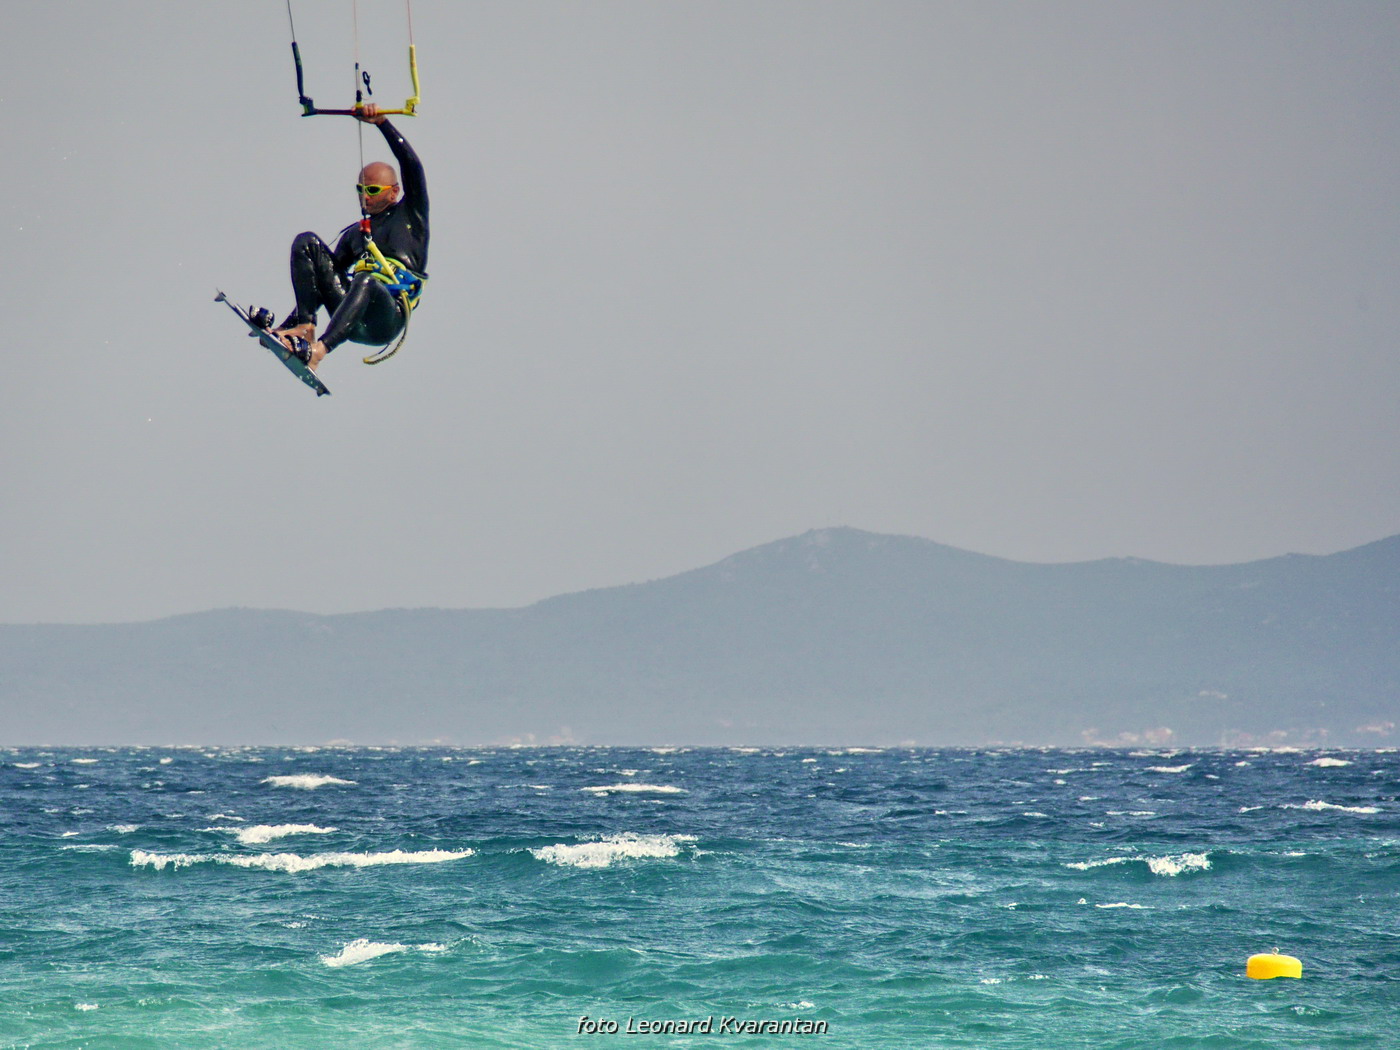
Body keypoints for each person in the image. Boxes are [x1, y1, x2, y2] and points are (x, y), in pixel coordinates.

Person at [271, 103, 429, 371]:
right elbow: (321, 283)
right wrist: (283, 327)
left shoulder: (411, 214)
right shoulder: (356, 235)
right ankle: (303, 329)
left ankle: (319, 352)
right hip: (351, 316)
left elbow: (412, 165)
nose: (364, 195)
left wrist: (382, 123)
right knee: (307, 243)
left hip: (385, 319)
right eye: (360, 188)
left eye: (373, 189)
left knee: (365, 279)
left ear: (393, 192)